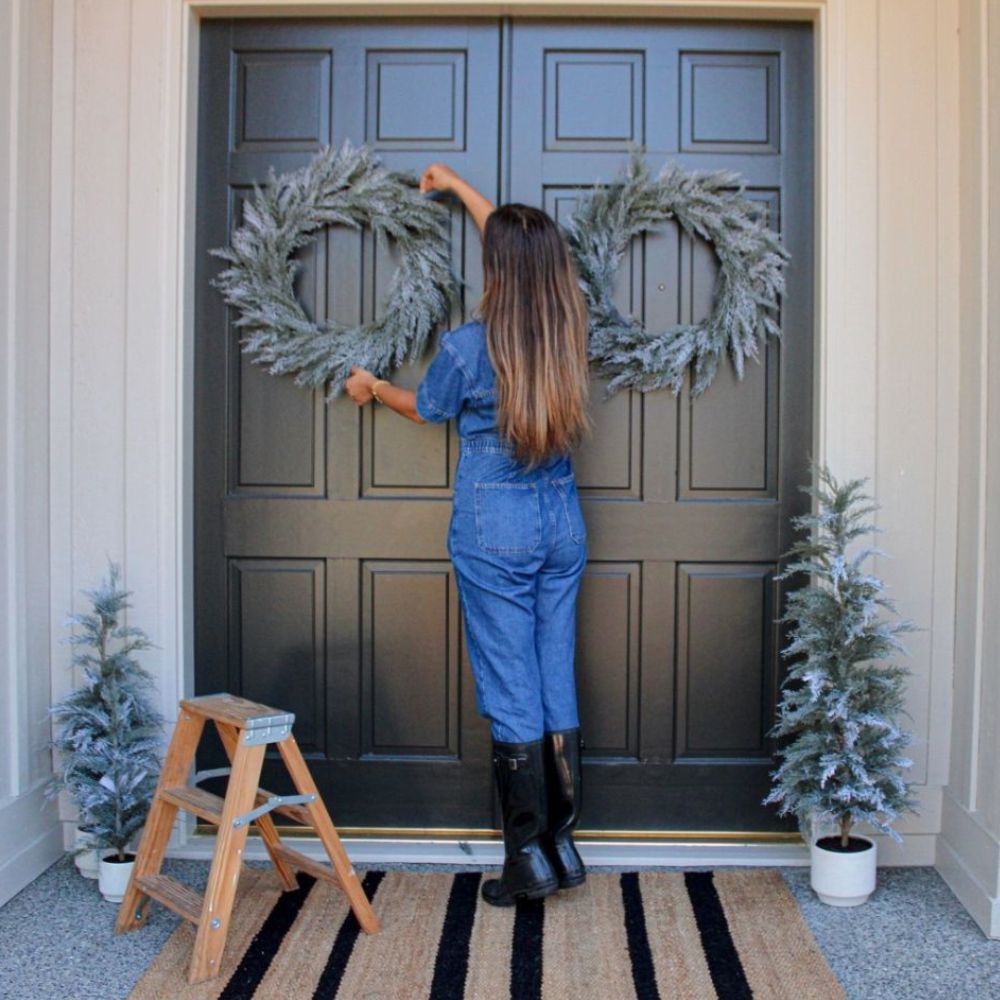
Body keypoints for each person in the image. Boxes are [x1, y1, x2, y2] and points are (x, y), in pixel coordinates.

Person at [344, 163, 592, 907]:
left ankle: (525, 862)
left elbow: (426, 408)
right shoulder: (570, 322)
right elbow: (518, 249)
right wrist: (459, 188)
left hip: (498, 521)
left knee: (512, 685)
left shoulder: (469, 345)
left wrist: (372, 389)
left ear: (496, 269)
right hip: (561, 520)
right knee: (553, 675)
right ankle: (562, 845)